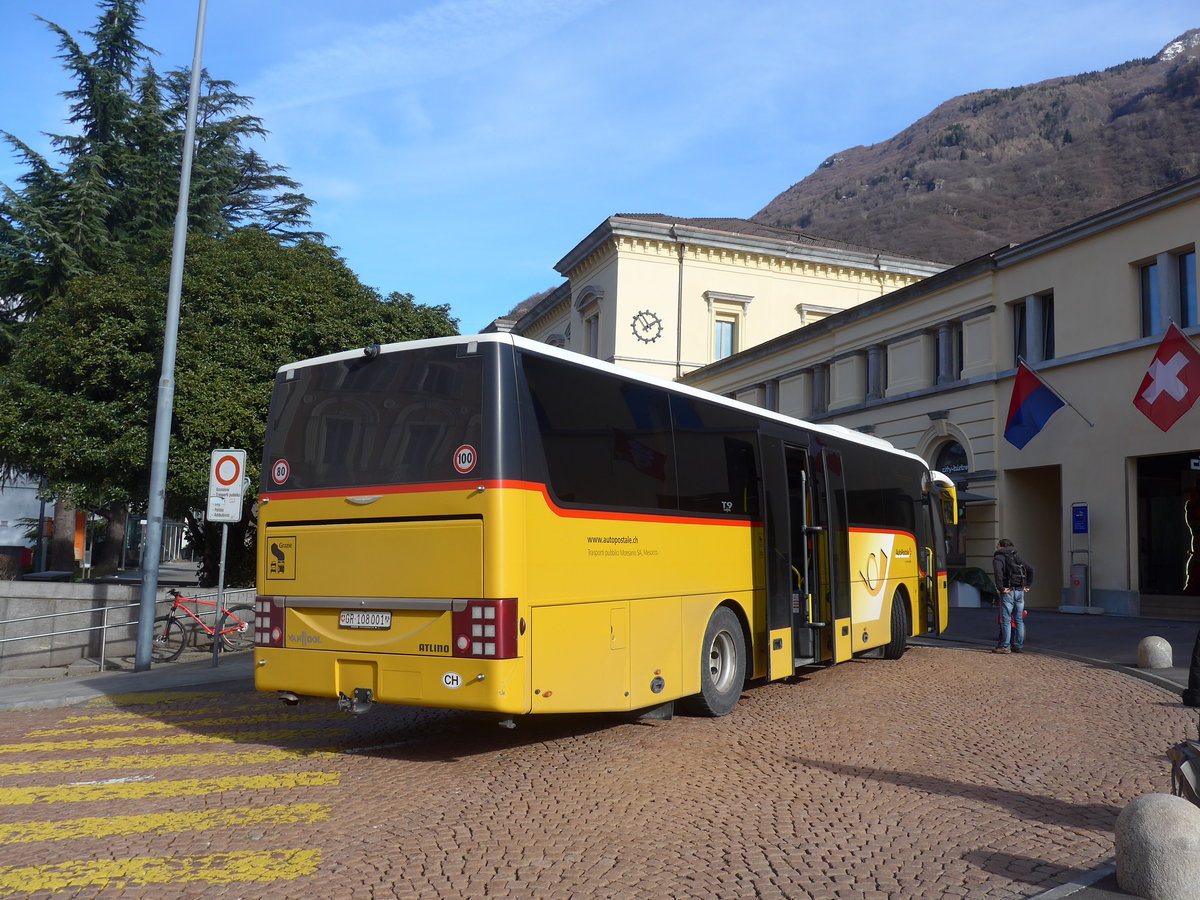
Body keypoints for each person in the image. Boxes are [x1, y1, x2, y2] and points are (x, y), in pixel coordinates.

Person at [992, 538, 1033, 654]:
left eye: (998, 545)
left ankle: (1005, 646)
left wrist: (1001, 588)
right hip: (1019, 591)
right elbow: (1031, 569)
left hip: (1008, 591)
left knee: (1006, 620)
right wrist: (1027, 585)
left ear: (1001, 546)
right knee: (1018, 619)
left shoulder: (999, 557)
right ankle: (1018, 645)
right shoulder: (1016, 556)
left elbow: (998, 573)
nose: (996, 547)